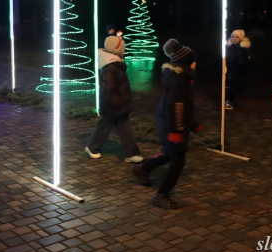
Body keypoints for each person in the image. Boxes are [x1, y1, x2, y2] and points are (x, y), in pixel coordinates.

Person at [132, 39, 202, 210]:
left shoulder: (181, 79)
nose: (195, 64)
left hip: (170, 124)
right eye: (193, 61)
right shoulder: (180, 81)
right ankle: (161, 194)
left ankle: (143, 168)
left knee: (170, 153)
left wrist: (193, 124)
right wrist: (176, 132)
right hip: (171, 126)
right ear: (186, 64)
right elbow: (176, 107)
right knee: (178, 160)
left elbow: (183, 107)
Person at [85, 33, 143, 163]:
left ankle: (131, 153)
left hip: (118, 104)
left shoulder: (115, 65)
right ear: (118, 50)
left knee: (124, 127)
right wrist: (121, 102)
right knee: (105, 127)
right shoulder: (110, 67)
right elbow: (109, 92)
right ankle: (92, 147)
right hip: (113, 105)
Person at [225, 29, 251, 110]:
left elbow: (246, 61)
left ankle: (230, 100)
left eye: (237, 37)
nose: (234, 39)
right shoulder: (230, 47)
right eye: (233, 37)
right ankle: (228, 100)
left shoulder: (243, 49)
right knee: (229, 85)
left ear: (241, 38)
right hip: (230, 69)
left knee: (235, 86)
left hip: (238, 70)